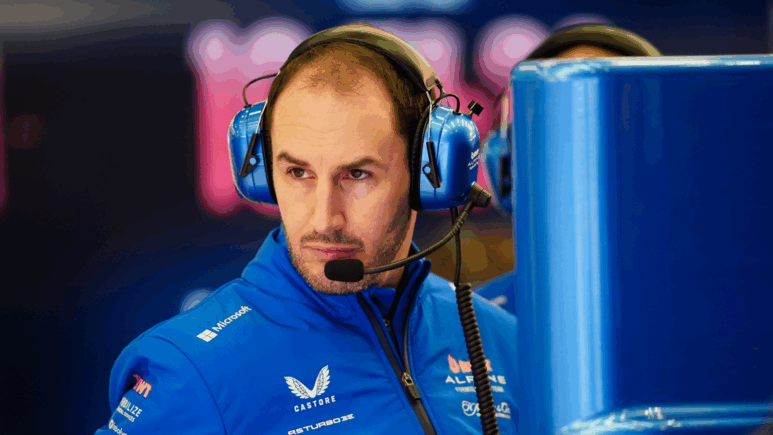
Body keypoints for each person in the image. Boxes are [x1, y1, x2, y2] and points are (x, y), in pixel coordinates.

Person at [95, 24, 519, 435]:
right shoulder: (190, 372)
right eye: (298, 173)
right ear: (262, 173)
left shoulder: (503, 340)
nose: (324, 220)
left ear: (431, 173)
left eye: (357, 174)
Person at [474, 24, 661, 314]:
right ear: (508, 162)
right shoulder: (473, 320)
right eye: (558, 120)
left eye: (612, 119)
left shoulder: (720, 304)